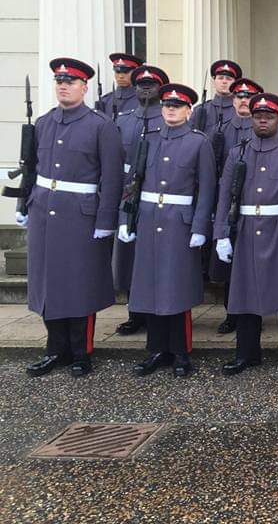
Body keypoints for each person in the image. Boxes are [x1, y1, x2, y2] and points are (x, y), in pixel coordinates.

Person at [21, 58, 124, 377]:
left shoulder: (100, 125)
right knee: (47, 282)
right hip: (45, 214)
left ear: (84, 87)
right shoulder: (44, 122)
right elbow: (32, 168)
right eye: (59, 81)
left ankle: (80, 352)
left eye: (70, 82)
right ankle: (55, 350)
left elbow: (112, 177)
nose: (63, 86)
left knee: (78, 284)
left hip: (81, 216)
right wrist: (25, 202)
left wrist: (106, 220)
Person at [214, 93, 278, 376]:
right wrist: (221, 234)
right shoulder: (238, 152)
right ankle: (246, 353)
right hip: (246, 229)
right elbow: (225, 196)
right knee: (245, 296)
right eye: (258, 116)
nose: (263, 120)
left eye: (269, 116)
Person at [124, 83, 216, 378]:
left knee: (176, 287)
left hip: (179, 221)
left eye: (177, 106)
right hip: (149, 219)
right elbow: (133, 182)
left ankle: (180, 351)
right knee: (150, 286)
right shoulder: (148, 139)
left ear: (189, 110)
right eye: (166, 105)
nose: (171, 110)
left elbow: (207, 189)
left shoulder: (198, 142)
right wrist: (127, 220)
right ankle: (157, 350)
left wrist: (200, 226)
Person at [114, 64, 169, 336]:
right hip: (126, 193)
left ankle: (157, 311)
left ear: (161, 89)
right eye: (141, 85)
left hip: (154, 194)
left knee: (155, 257)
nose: (145, 88)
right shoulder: (123, 120)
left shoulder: (168, 117)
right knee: (128, 258)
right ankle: (134, 313)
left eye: (151, 85)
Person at [210, 77, 263, 335]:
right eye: (239, 96)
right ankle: (231, 312)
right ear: (232, 101)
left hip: (254, 201)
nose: (243, 100)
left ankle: (255, 311)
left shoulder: (263, 128)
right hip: (227, 199)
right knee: (229, 263)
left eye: (248, 97)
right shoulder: (221, 131)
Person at [190, 59, 242, 142]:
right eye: (220, 78)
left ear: (235, 84)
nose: (224, 81)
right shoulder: (200, 109)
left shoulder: (241, 111)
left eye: (228, 79)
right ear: (214, 82)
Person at [97, 52, 144, 119]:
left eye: (125, 72)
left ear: (135, 73)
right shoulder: (105, 100)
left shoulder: (142, 100)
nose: (121, 76)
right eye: (117, 72)